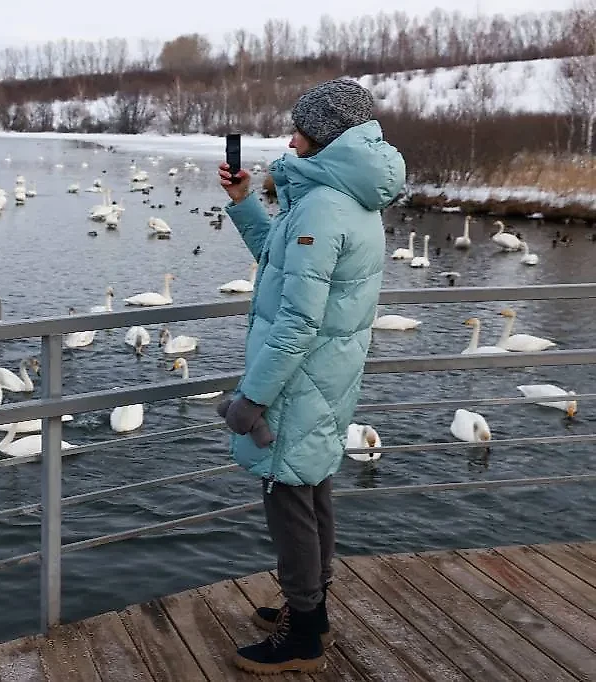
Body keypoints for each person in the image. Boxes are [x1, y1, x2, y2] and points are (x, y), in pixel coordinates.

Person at [217, 79, 406, 674]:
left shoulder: (323, 208)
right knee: (313, 489)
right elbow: (278, 264)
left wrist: (252, 397)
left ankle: (304, 633)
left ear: (325, 137)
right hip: (325, 378)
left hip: (297, 383)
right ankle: (311, 606)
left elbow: (297, 322)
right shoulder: (342, 198)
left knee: (288, 502)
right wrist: (247, 202)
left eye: (300, 128)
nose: (289, 136)